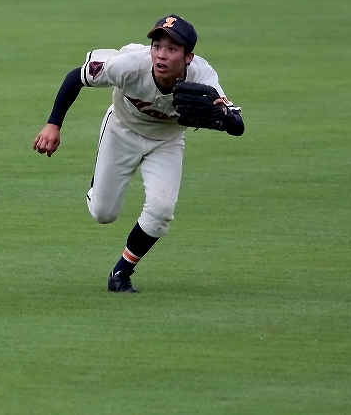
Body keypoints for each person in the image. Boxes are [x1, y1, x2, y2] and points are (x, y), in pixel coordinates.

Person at [32, 15, 244, 293]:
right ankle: (99, 184)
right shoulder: (129, 67)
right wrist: (53, 125)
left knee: (161, 210)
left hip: (166, 142)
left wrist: (226, 118)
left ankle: (120, 274)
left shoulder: (203, 76)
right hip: (122, 130)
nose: (162, 55)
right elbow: (76, 77)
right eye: (157, 46)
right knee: (103, 213)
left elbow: (237, 125)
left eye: (172, 49)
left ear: (188, 56)